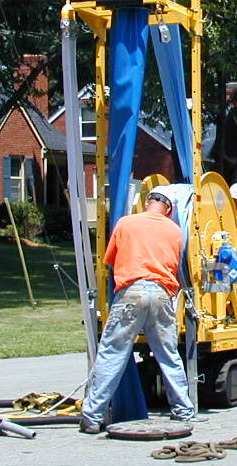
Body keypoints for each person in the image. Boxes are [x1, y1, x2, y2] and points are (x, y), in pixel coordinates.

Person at [79, 185, 205, 433]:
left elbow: (111, 260)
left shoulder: (126, 223)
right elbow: (176, 263)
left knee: (113, 352)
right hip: (161, 293)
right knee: (168, 354)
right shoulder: (174, 229)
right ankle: (184, 410)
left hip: (131, 291)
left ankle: (92, 416)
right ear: (168, 209)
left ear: (147, 202)